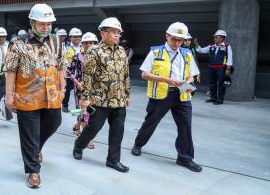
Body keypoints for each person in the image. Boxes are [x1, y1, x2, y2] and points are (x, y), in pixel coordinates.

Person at [5, 3, 65, 188]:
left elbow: (61, 66)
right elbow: (10, 70)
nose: (46, 27)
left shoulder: (56, 41)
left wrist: (62, 89)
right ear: (32, 23)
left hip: (52, 95)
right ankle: (33, 170)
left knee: (55, 122)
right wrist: (9, 95)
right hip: (27, 97)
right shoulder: (18, 43)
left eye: (49, 24)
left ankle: (33, 148)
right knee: (29, 133)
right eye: (42, 23)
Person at [131, 22, 201, 172]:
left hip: (182, 93)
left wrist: (187, 82)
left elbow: (192, 76)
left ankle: (185, 158)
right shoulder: (156, 52)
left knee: (185, 126)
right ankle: (138, 144)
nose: (176, 43)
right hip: (162, 93)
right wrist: (166, 80)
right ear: (167, 36)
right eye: (174, 39)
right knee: (151, 121)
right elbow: (144, 74)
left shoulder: (187, 54)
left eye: (180, 40)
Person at [72, 18, 130, 173]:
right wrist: (85, 98)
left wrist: (127, 93)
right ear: (103, 33)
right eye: (113, 32)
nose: (117, 35)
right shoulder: (94, 51)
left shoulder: (120, 51)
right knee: (93, 128)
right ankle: (79, 145)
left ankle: (113, 160)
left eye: (119, 32)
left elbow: (125, 74)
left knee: (118, 131)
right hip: (100, 99)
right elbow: (88, 76)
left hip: (118, 99)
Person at [67, 32, 98, 148]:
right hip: (80, 87)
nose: (89, 45)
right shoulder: (77, 57)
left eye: (91, 43)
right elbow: (69, 71)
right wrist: (76, 82)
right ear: (82, 44)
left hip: (94, 88)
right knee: (85, 112)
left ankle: (77, 124)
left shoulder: (99, 57)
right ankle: (87, 139)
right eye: (86, 43)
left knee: (86, 111)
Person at [195, 30, 233, 105]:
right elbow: (201, 50)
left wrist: (228, 68)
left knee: (221, 84)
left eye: (216, 37)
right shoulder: (211, 46)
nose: (214, 38)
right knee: (212, 83)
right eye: (215, 37)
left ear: (222, 38)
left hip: (221, 68)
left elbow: (230, 58)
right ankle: (213, 97)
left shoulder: (227, 46)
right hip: (211, 68)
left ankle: (220, 99)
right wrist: (197, 44)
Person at [61, 28, 82, 113]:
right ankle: (65, 106)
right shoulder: (66, 48)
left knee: (80, 92)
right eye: (75, 36)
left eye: (79, 36)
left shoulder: (83, 46)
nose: (77, 38)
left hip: (80, 74)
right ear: (70, 38)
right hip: (69, 74)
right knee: (67, 91)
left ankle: (79, 109)